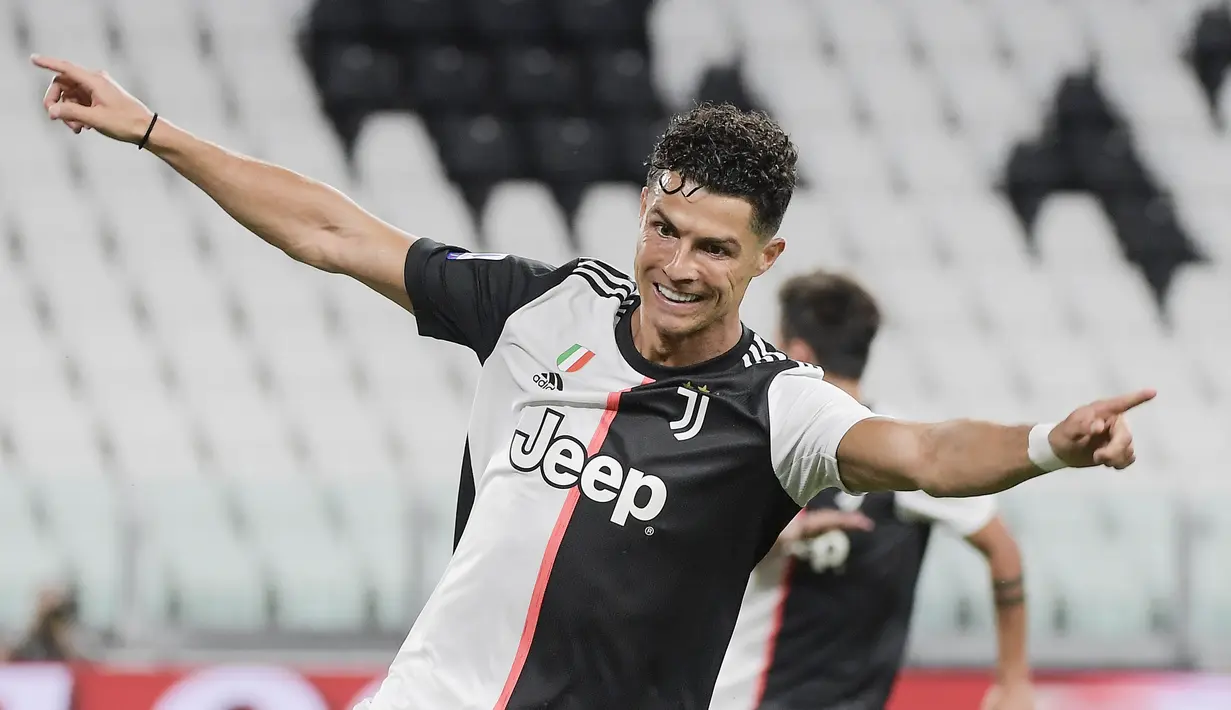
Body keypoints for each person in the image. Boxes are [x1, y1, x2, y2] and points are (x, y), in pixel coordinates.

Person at [31, 54, 1152, 710]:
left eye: (713, 248)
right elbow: (332, 230)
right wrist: (150, 129)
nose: (674, 264)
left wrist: (1049, 441)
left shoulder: (778, 409)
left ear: (764, 260)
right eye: (663, 227)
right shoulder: (540, 307)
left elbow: (924, 455)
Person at [711, 271, 1033, 710]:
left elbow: (1001, 548)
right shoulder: (900, 451)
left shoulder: (904, 457)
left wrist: (1014, 686)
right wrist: (779, 536)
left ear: (798, 353)